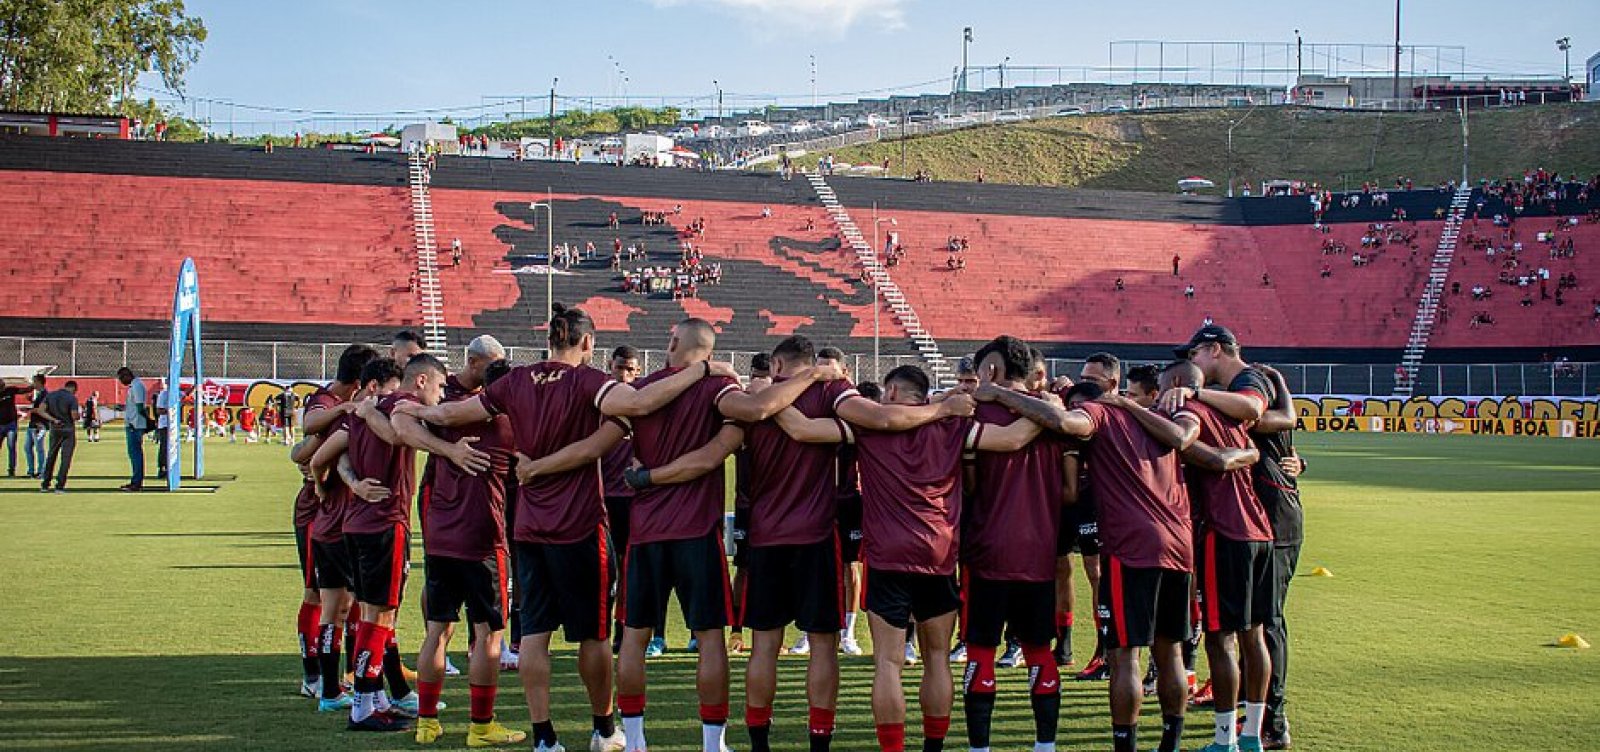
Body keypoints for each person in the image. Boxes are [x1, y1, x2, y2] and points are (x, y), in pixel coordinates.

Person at [399, 308, 747, 752]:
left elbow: (448, 414)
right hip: (583, 525)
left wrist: (403, 407)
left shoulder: (514, 381)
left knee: (537, 636)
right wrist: (705, 370)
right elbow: (630, 414)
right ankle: (608, 730)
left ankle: (547, 738)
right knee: (599, 635)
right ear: (587, 344)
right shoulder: (592, 383)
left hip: (530, 525)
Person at [765, 365, 1041, 752]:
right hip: (939, 553)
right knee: (937, 658)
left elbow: (801, 429)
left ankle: (893, 749)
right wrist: (1045, 407)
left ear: (892, 392)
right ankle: (932, 748)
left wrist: (765, 396)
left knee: (889, 664)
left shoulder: (870, 428)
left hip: (887, 555)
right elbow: (1014, 439)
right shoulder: (954, 428)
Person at [608, 318, 852, 752]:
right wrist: (815, 375)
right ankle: (712, 743)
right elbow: (731, 436)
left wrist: (645, 477)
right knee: (710, 639)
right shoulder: (719, 390)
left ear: (672, 340)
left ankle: (634, 741)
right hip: (700, 531)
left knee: (634, 635)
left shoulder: (643, 390)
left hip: (647, 532)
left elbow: (609, 427)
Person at [975, 372, 1244, 752]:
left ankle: (1126, 746)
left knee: (1123, 654)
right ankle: (1170, 743)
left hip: (1132, 545)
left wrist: (999, 393)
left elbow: (1064, 422)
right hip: (1179, 544)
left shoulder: (1099, 413)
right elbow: (1212, 458)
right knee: (1169, 650)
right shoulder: (1166, 419)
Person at [373, 337, 527, 747]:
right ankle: (481, 726)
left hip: (441, 533)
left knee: (437, 631)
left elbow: (399, 421)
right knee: (489, 634)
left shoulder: (444, 410)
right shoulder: (507, 420)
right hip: (483, 536)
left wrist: (443, 444)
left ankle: (426, 723)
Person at [1162, 325, 1302, 750]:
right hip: (1260, 523)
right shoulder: (1232, 408)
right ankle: (1255, 730)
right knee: (1256, 629)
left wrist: (1188, 398)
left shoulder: (1238, 387)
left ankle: (1243, 734)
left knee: (1232, 634)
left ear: (1214, 351)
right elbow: (1271, 424)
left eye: (1194, 355)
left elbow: (1253, 412)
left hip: (1234, 528)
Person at [312, 355, 450, 732]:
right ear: (420, 381)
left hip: (356, 523)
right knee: (381, 617)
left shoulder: (362, 411)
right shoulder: (403, 410)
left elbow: (332, 457)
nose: (442, 394)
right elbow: (401, 436)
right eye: (440, 386)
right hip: (385, 523)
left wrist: (347, 484)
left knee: (371, 615)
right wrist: (452, 450)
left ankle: (371, 698)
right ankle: (363, 706)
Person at [958, 336, 1073, 752]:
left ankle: (980, 748)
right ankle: (1045, 746)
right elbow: (1068, 488)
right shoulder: (1053, 415)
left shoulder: (973, 411)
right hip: (1039, 552)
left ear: (991, 370)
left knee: (980, 653)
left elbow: (968, 485)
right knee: (1040, 652)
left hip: (986, 550)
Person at [286, 345, 379, 704]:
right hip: (318, 509)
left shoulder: (352, 407)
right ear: (360, 382)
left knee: (350, 596)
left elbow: (300, 450)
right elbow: (307, 440)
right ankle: (314, 676)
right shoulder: (325, 402)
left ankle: (347, 673)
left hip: (346, 509)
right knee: (319, 594)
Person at [36, 380, 81, 493]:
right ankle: (59, 485)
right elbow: (74, 416)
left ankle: (45, 484)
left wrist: (53, 420)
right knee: (65, 459)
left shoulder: (50, 396)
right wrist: (78, 416)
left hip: (55, 428)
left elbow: (40, 410)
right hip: (68, 429)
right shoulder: (71, 398)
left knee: (51, 456)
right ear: (74, 389)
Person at [24, 373, 48, 479]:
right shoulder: (39, 394)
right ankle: (31, 470)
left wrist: (30, 410)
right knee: (28, 448)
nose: (33, 384)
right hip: (33, 424)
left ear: (39, 382)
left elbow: (42, 409)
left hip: (39, 425)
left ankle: (42, 471)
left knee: (39, 449)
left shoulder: (45, 394)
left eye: (34, 381)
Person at [0, 379, 23, 476]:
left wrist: (34, 386)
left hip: (11, 424)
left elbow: (24, 390)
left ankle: (11, 469)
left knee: (11, 447)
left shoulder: (10, 391)